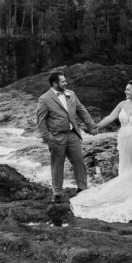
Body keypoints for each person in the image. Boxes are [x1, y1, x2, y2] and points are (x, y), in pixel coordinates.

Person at [69, 79, 132, 222]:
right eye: (126, 89)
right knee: (125, 165)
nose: (125, 92)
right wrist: (96, 127)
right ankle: (124, 192)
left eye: (128, 89)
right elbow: (110, 117)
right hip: (124, 139)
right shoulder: (122, 104)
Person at [36, 71, 97, 203]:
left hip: (73, 134)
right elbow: (41, 122)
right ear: (54, 83)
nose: (66, 83)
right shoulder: (44, 99)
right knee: (57, 165)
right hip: (56, 137)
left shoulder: (71, 94)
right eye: (63, 81)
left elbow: (81, 110)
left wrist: (92, 126)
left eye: (65, 81)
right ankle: (57, 193)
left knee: (79, 161)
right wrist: (48, 139)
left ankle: (82, 189)